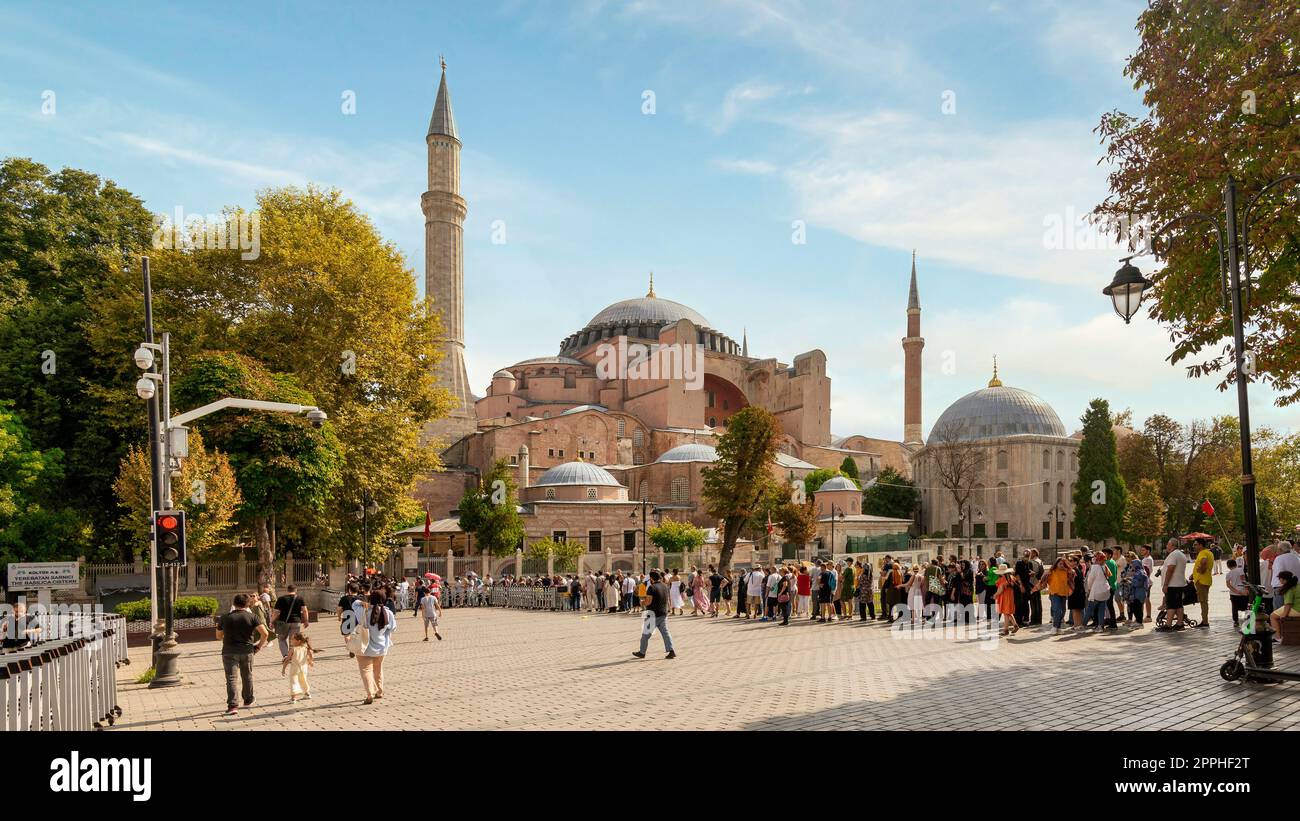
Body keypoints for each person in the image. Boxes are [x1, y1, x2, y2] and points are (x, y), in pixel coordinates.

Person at [216, 593, 269, 716]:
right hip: (247, 651)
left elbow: (218, 637)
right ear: (248, 604)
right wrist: (258, 646)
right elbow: (265, 634)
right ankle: (248, 699)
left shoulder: (224, 618)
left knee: (231, 678)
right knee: (247, 675)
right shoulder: (253, 617)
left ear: (234, 604)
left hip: (229, 651)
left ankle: (233, 705)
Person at [354, 591, 396, 705]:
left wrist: (362, 602)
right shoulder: (388, 613)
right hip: (381, 647)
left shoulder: (363, 611)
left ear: (370, 599)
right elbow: (392, 628)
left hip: (364, 648)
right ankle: (380, 691)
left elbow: (354, 604)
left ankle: (369, 694)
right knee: (378, 669)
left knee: (366, 670)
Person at [632, 570, 676, 660]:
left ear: (651, 578)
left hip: (652, 614)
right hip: (663, 613)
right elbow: (667, 599)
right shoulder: (664, 586)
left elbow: (648, 602)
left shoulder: (652, 588)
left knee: (645, 635)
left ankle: (642, 652)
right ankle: (671, 651)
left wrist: (642, 602)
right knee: (665, 633)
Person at [271, 584, 310, 659]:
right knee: (293, 640)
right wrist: (306, 620)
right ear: (296, 590)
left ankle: (285, 655)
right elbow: (304, 610)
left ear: (287, 590)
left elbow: (276, 612)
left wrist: (272, 621)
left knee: (281, 639)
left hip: (282, 622)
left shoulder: (281, 599)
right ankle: (291, 656)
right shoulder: (300, 598)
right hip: (296, 622)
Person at [1160, 537, 1190, 630]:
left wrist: (1165, 584)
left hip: (1173, 584)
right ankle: (1180, 623)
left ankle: (1168, 625)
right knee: (1178, 604)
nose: (1166, 546)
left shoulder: (1173, 555)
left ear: (1172, 545)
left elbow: (1170, 569)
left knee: (1171, 604)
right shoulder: (1181, 554)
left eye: (1168, 544)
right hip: (1180, 583)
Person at [1038, 557, 1073, 634]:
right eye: (1060, 563)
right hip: (1055, 593)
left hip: (1064, 593)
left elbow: (1072, 575)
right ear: (1056, 564)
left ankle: (1058, 627)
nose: (1061, 565)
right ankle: (1054, 627)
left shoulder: (1067, 572)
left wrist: (1067, 569)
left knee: (1063, 611)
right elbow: (1043, 579)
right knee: (1057, 610)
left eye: (1063, 564)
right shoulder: (1051, 571)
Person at [281, 631, 316, 702]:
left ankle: (293, 698)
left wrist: (283, 669)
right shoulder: (305, 648)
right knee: (303, 680)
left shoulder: (293, 649)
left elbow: (287, 660)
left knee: (293, 682)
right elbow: (311, 654)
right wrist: (311, 661)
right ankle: (307, 694)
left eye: (292, 639)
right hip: (304, 668)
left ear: (298, 641)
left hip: (294, 669)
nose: (290, 640)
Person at [1084, 553, 1112, 632]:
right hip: (1105, 590)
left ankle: (1083, 625)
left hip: (1096, 591)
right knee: (1101, 609)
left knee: (1089, 609)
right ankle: (1100, 626)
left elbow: (1090, 579)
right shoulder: (1104, 566)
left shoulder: (1095, 567)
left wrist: (1089, 589)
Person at [1190, 538, 1214, 628]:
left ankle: (1205, 621)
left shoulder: (1202, 553)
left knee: (1203, 601)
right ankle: (1204, 620)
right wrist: (1193, 574)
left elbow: (1204, 561)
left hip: (1201, 580)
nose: (1194, 546)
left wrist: (1201, 570)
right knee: (1204, 601)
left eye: (1195, 544)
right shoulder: (1209, 552)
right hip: (1206, 579)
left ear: (1201, 545)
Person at [1270, 542, 1300, 612]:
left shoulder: (1279, 558)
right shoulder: (1297, 557)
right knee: (1292, 613)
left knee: (1279, 614)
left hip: (1282, 589)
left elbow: (1279, 574)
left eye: (1277, 549)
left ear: (1280, 550)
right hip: (1296, 588)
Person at [1268, 570, 1298, 635]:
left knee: (1272, 616)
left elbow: (1288, 604)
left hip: (1297, 610)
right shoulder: (1297, 585)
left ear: (1283, 579)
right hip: (1297, 608)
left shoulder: (1289, 589)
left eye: (1280, 578)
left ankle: (1278, 637)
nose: (1279, 580)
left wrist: (1284, 615)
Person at [1123, 556, 1149, 629]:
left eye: (1133, 565)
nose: (1132, 567)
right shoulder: (1138, 572)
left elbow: (1138, 583)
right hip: (1137, 593)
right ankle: (1138, 621)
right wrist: (1131, 579)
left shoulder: (1140, 573)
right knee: (1135, 607)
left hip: (1139, 593)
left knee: (1138, 608)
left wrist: (1129, 581)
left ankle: (1139, 622)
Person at [337, 582, 361, 658]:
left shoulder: (344, 598)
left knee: (346, 635)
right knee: (355, 634)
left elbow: (339, 608)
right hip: (358, 618)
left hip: (347, 617)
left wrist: (339, 616)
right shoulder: (361, 598)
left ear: (349, 590)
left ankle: (351, 649)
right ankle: (355, 647)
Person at [995, 567, 1019, 636]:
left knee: (1006, 613)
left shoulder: (1002, 579)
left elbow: (1000, 589)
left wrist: (995, 595)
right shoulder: (1011, 577)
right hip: (1010, 597)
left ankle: (1007, 629)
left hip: (1004, 597)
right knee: (1007, 613)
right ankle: (1010, 627)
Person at [1225, 559, 1249, 628]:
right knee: (1245, 606)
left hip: (1234, 593)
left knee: (1234, 607)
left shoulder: (1228, 574)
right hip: (1243, 591)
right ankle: (1246, 620)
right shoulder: (1240, 570)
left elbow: (1228, 585)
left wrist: (1236, 591)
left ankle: (1236, 621)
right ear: (1235, 564)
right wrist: (1246, 589)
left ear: (1228, 566)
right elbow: (1243, 580)